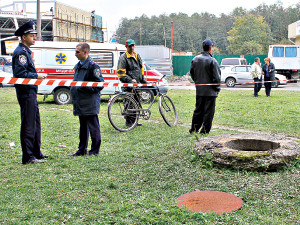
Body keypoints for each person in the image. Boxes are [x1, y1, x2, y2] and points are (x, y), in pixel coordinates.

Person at [12, 21, 48, 164]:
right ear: (23, 36)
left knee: (35, 123)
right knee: (28, 124)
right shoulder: (20, 52)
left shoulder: (26, 51)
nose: (34, 37)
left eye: (34, 35)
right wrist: (36, 76)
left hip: (31, 92)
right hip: (26, 92)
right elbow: (21, 73)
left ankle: (36, 152)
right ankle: (28, 156)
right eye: (31, 35)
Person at [70, 43, 104, 156]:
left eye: (77, 52)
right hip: (80, 102)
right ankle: (82, 150)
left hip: (89, 102)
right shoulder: (78, 66)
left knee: (93, 128)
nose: (75, 54)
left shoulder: (93, 66)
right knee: (83, 128)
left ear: (85, 52)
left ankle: (94, 151)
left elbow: (99, 85)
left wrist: (83, 88)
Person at [189, 40, 221, 135]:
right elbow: (217, 78)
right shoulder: (212, 60)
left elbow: (192, 74)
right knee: (208, 112)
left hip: (200, 90)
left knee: (198, 110)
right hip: (211, 91)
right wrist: (217, 89)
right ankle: (204, 131)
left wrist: (198, 83)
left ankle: (194, 129)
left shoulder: (195, 59)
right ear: (211, 47)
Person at [116, 39, 147, 126]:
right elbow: (120, 73)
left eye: (133, 45)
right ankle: (129, 122)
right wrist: (130, 80)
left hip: (137, 85)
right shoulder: (123, 58)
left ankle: (135, 121)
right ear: (126, 47)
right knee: (129, 104)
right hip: (128, 85)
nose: (132, 47)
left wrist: (144, 81)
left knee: (137, 102)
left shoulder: (137, 55)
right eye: (130, 46)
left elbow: (141, 70)